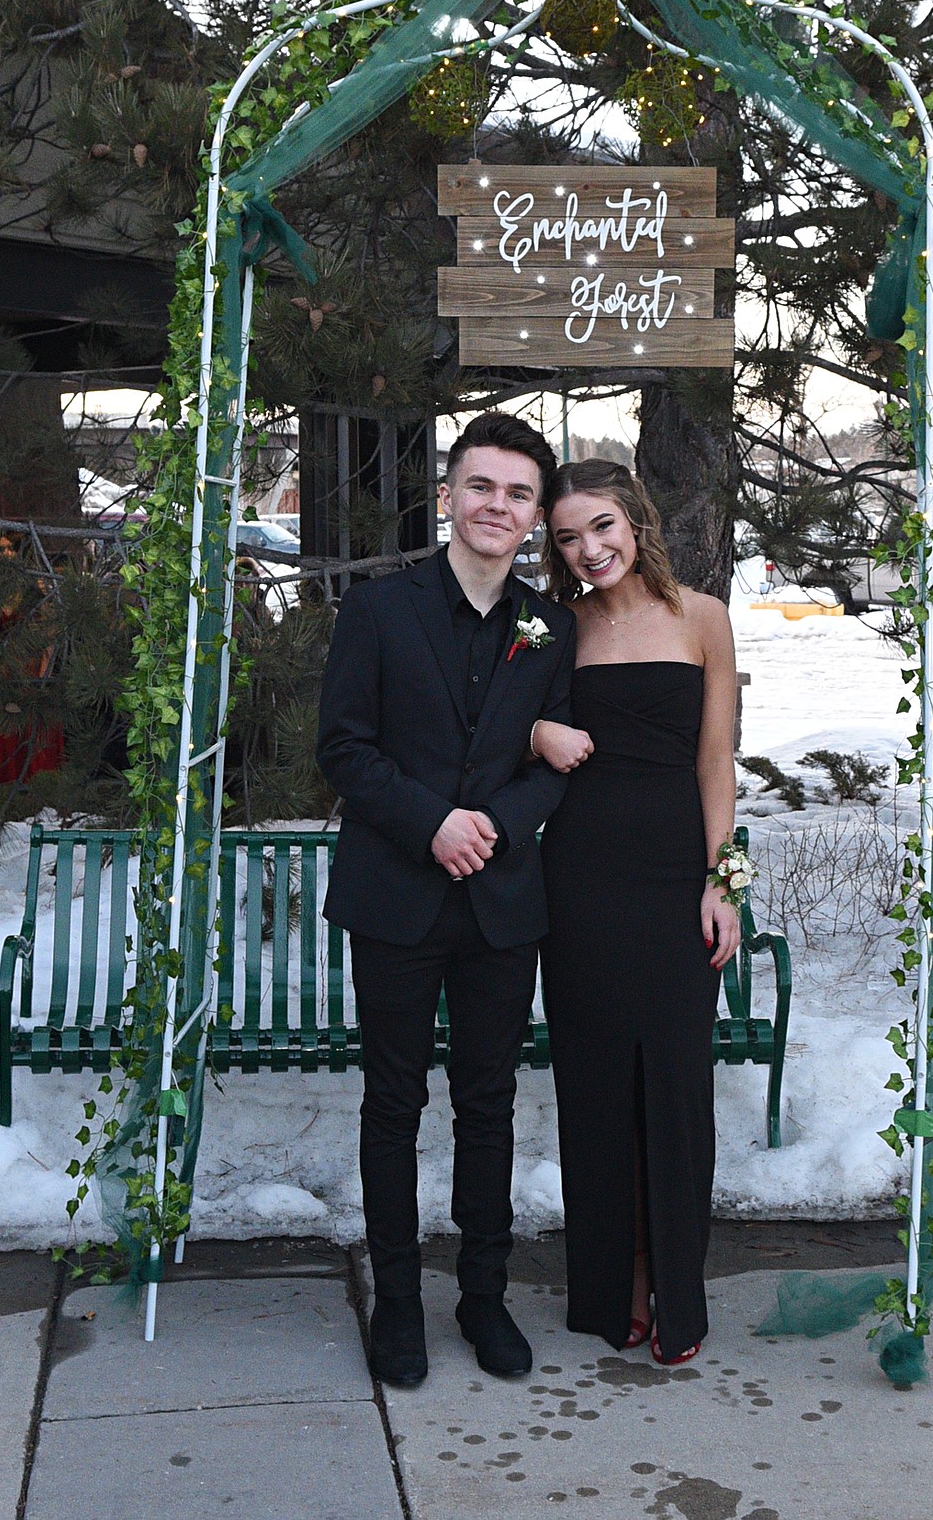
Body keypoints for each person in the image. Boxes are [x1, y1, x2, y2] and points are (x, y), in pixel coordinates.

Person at [316, 412, 576, 1389]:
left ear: (535, 514)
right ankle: (397, 1307)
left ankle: (484, 1296)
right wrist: (432, 821)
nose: (496, 506)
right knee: (392, 1106)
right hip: (395, 896)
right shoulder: (379, 611)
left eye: (517, 494)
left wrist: (498, 823)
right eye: (481, 486)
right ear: (449, 493)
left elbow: (561, 758)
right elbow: (342, 748)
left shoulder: (551, 629)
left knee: (489, 1105)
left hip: (502, 904)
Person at [532, 459, 741, 1366]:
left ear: (636, 521)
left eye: (602, 527)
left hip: (672, 879)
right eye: (570, 537)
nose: (589, 551)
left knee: (676, 1091)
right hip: (577, 877)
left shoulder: (703, 618)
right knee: (594, 1085)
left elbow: (718, 762)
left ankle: (674, 1294)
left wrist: (722, 879)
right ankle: (612, 1285)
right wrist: (536, 731)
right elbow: (490, 726)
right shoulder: (552, 629)